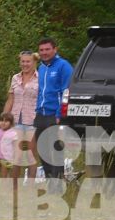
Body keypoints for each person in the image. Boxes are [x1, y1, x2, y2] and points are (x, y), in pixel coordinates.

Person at [32, 36, 73, 186]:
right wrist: (37, 109)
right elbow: (42, 91)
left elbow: (66, 92)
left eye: (47, 49)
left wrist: (59, 114)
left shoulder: (63, 66)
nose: (44, 52)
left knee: (55, 150)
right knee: (43, 150)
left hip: (54, 115)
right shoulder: (42, 67)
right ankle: (50, 181)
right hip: (41, 114)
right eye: (41, 50)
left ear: (55, 49)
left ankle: (57, 184)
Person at [5, 50, 40, 181]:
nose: (25, 64)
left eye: (28, 61)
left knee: (31, 155)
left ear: (34, 62)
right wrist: (4, 118)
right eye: (23, 61)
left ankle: (30, 187)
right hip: (16, 120)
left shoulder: (40, 78)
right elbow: (10, 99)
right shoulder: (15, 78)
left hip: (32, 120)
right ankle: (14, 187)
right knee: (16, 155)